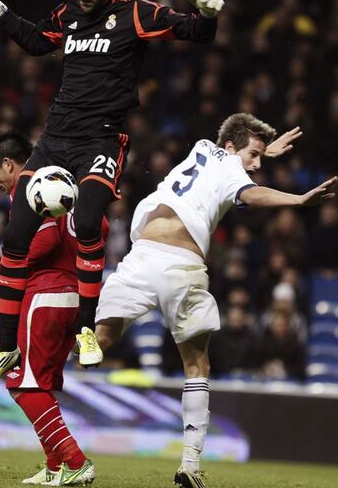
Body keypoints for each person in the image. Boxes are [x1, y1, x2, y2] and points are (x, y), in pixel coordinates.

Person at [0, 0, 224, 373]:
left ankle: (86, 329)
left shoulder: (135, 14)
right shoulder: (69, 12)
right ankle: (5, 346)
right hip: (55, 139)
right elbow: (35, 42)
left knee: (87, 219)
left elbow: (194, 32)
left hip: (101, 139)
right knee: (17, 231)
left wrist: (207, 16)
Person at [91, 113, 336, 488]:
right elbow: (249, 192)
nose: (256, 166)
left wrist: (262, 150)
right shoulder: (234, 171)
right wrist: (298, 199)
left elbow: (231, 152)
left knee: (98, 343)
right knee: (197, 367)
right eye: (254, 157)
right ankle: (189, 466)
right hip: (180, 266)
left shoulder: (202, 148)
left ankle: (39, 345)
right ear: (233, 149)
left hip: (137, 259)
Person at [0, 130, 97, 485]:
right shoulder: (57, 181)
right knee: (37, 383)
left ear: (9, 164)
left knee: (20, 382)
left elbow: (47, 236)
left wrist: (5, 265)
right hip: (70, 294)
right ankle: (55, 466)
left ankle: (75, 461)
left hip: (45, 295)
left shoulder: (32, 188)